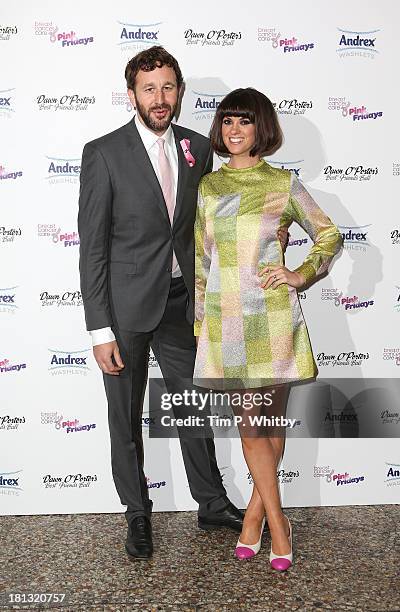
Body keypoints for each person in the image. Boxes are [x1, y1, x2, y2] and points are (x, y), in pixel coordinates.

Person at [78, 46, 246, 560]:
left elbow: (201, 229)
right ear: (131, 95)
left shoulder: (198, 146)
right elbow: (94, 247)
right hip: (126, 309)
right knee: (124, 418)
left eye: (168, 87)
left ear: (180, 92)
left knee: (193, 408)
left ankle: (211, 503)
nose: (160, 98)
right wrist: (99, 330)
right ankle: (137, 514)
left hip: (181, 303)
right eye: (149, 88)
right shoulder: (103, 152)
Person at [193, 88, 342, 571]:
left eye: (245, 122)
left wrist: (301, 274)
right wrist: (201, 323)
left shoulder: (282, 183)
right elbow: (201, 261)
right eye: (228, 122)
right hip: (227, 322)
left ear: (262, 129)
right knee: (253, 429)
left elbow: (329, 234)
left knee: (270, 430)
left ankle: (256, 518)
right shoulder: (210, 188)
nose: (235, 131)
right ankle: (279, 523)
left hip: (274, 317)